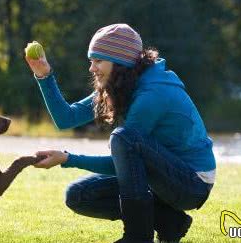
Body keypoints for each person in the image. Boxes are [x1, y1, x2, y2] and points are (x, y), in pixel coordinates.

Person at [25, 24, 215, 243]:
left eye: (98, 61)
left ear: (120, 63)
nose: (91, 68)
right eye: (91, 61)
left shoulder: (152, 94)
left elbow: (123, 162)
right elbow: (66, 118)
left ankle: (137, 237)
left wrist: (68, 158)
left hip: (191, 183)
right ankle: (169, 220)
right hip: (161, 178)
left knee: (123, 137)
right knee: (78, 195)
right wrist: (44, 75)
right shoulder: (122, 84)